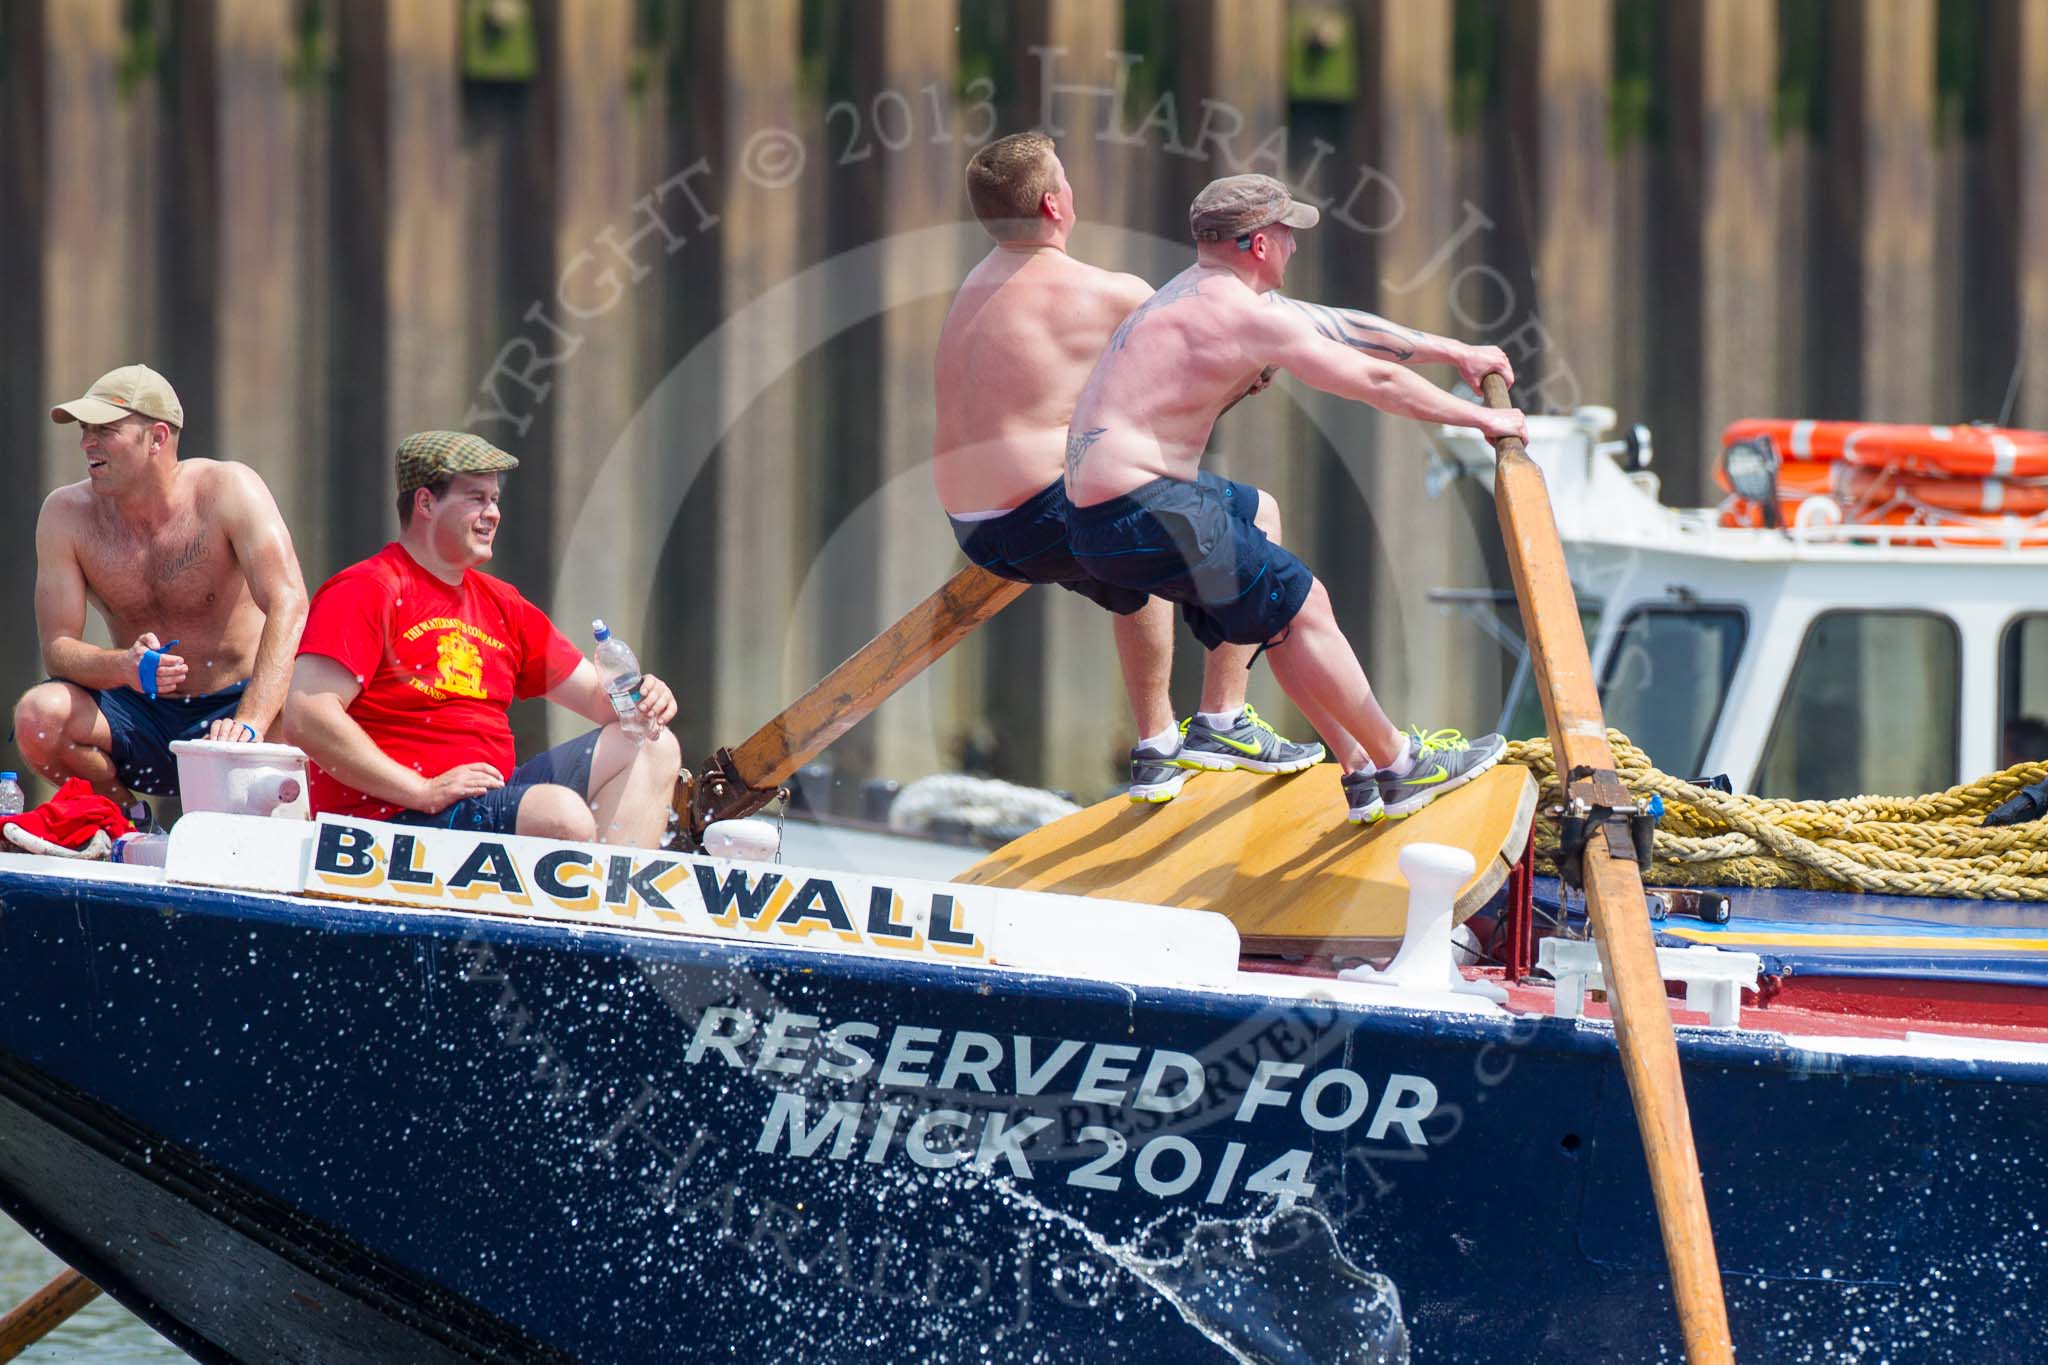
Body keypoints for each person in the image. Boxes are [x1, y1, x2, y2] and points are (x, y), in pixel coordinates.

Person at [1063, 174, 1531, 825]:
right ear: (1256, 244)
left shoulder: (1201, 292)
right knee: (1305, 600)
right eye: (1286, 231)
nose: (1293, 243)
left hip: (1102, 513)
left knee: (1264, 535)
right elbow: (1371, 378)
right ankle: (1401, 764)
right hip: (1136, 505)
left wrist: (1455, 350)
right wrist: (1484, 421)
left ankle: (1354, 764)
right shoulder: (1240, 314)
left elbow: (1341, 328)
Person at [937, 130, 1320, 803]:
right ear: (1056, 206)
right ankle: (1224, 718)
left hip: (971, 527)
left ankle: (1156, 747)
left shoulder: (971, 290)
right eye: (1066, 180)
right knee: (1258, 513)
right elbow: (1220, 367)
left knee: (1134, 551)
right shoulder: (1107, 293)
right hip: (1040, 514)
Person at [285, 431, 682, 846]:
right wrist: (421, 790)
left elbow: (604, 705)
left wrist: (644, 698)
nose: (493, 513)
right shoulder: (366, 589)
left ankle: (608, 905)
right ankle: (575, 898)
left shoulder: (503, 604)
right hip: (397, 818)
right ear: (425, 503)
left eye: (495, 500)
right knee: (560, 817)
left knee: (652, 744)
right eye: (476, 498)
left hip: (485, 799)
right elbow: (307, 716)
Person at [13, 365, 309, 804]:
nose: (86, 443)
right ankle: (126, 823)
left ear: (156, 438)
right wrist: (123, 667)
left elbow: (290, 602)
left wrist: (251, 720)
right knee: (39, 716)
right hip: (143, 716)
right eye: (84, 430)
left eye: (105, 430)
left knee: (313, 707)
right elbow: (58, 649)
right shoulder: (65, 513)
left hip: (238, 709)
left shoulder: (228, 489)